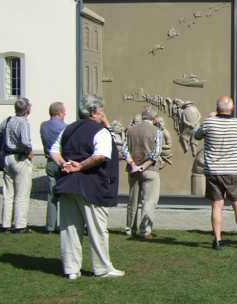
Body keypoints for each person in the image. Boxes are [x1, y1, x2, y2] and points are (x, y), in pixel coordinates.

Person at [50, 95, 124, 279]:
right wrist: (80, 166)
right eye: (101, 110)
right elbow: (100, 156)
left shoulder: (69, 128)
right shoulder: (101, 131)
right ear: (94, 111)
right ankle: (102, 268)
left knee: (70, 229)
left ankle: (71, 269)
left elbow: (53, 150)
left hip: (67, 184)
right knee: (97, 229)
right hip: (91, 186)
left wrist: (64, 164)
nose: (103, 113)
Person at [194, 96, 237, 250]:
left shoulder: (209, 123)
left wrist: (209, 118)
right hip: (233, 171)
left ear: (217, 108)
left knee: (217, 206)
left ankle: (218, 240)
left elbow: (197, 135)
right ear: (232, 109)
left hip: (213, 171)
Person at [0, 97, 34, 233]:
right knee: (22, 193)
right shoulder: (24, 123)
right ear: (26, 109)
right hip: (19, 158)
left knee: (8, 193)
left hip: (7, 158)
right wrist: (29, 152)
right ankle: (20, 225)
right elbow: (25, 142)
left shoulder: (8, 121)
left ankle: (5, 224)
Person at [122, 108, 162, 239]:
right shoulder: (157, 131)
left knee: (132, 200)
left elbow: (124, 150)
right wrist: (143, 167)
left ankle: (129, 229)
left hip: (133, 170)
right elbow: (156, 153)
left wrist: (133, 165)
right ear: (154, 119)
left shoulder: (131, 130)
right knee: (149, 201)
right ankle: (145, 231)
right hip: (150, 170)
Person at [40, 101, 67, 233]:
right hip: (62, 161)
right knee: (66, 195)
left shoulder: (43, 126)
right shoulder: (65, 127)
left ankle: (50, 226)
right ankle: (65, 225)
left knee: (52, 196)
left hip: (50, 161)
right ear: (60, 113)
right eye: (64, 112)